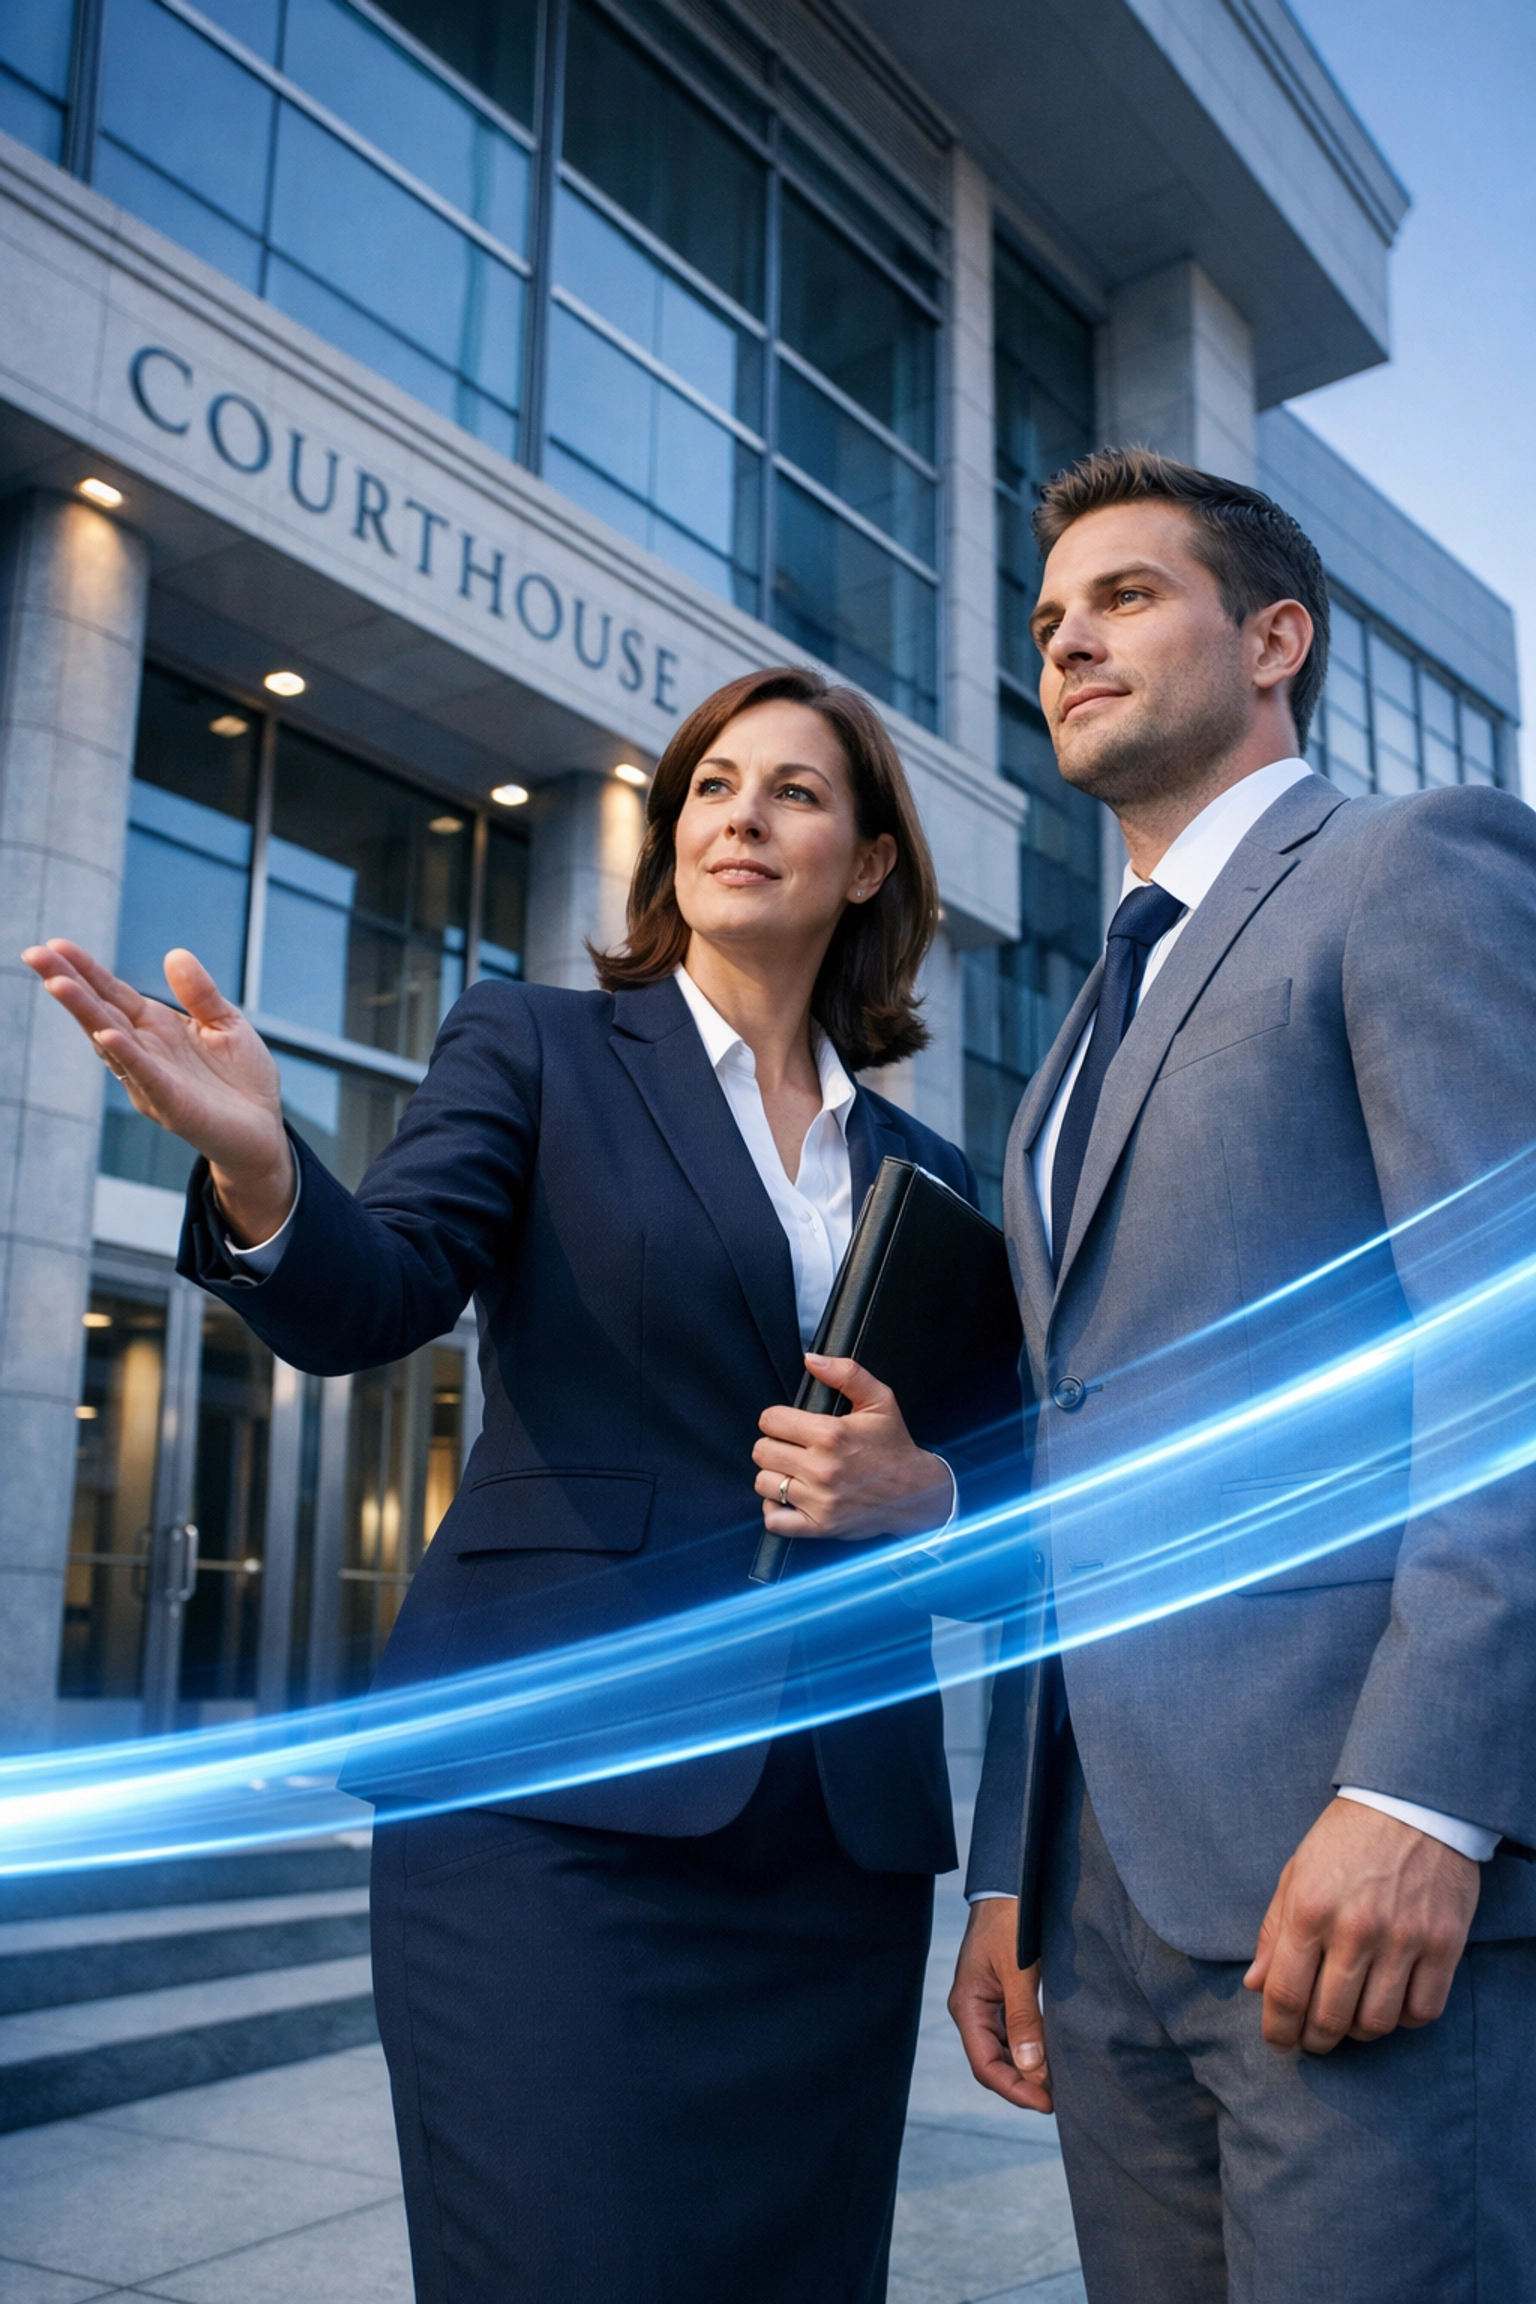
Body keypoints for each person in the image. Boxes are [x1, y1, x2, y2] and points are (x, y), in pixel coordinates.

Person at [25, 665, 980, 2304]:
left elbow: (1011, 1483)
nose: (741, 815)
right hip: (545, 1818)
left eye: (797, 791)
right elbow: (377, 1294)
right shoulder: (537, 1049)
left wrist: (931, 1499)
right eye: (711, 786)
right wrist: (262, 1165)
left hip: (832, 1849)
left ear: (875, 863)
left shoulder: (928, 1175)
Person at [947, 449, 1536, 2302]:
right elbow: (1075, 1460)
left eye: (1124, 598)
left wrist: (1425, 1797)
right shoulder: (1069, 1045)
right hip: (1107, 1895)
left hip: (1347, 1866)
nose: (1068, 643)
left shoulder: (1407, 864)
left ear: (1275, 638)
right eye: (1049, 621)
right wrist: (1003, 1868)